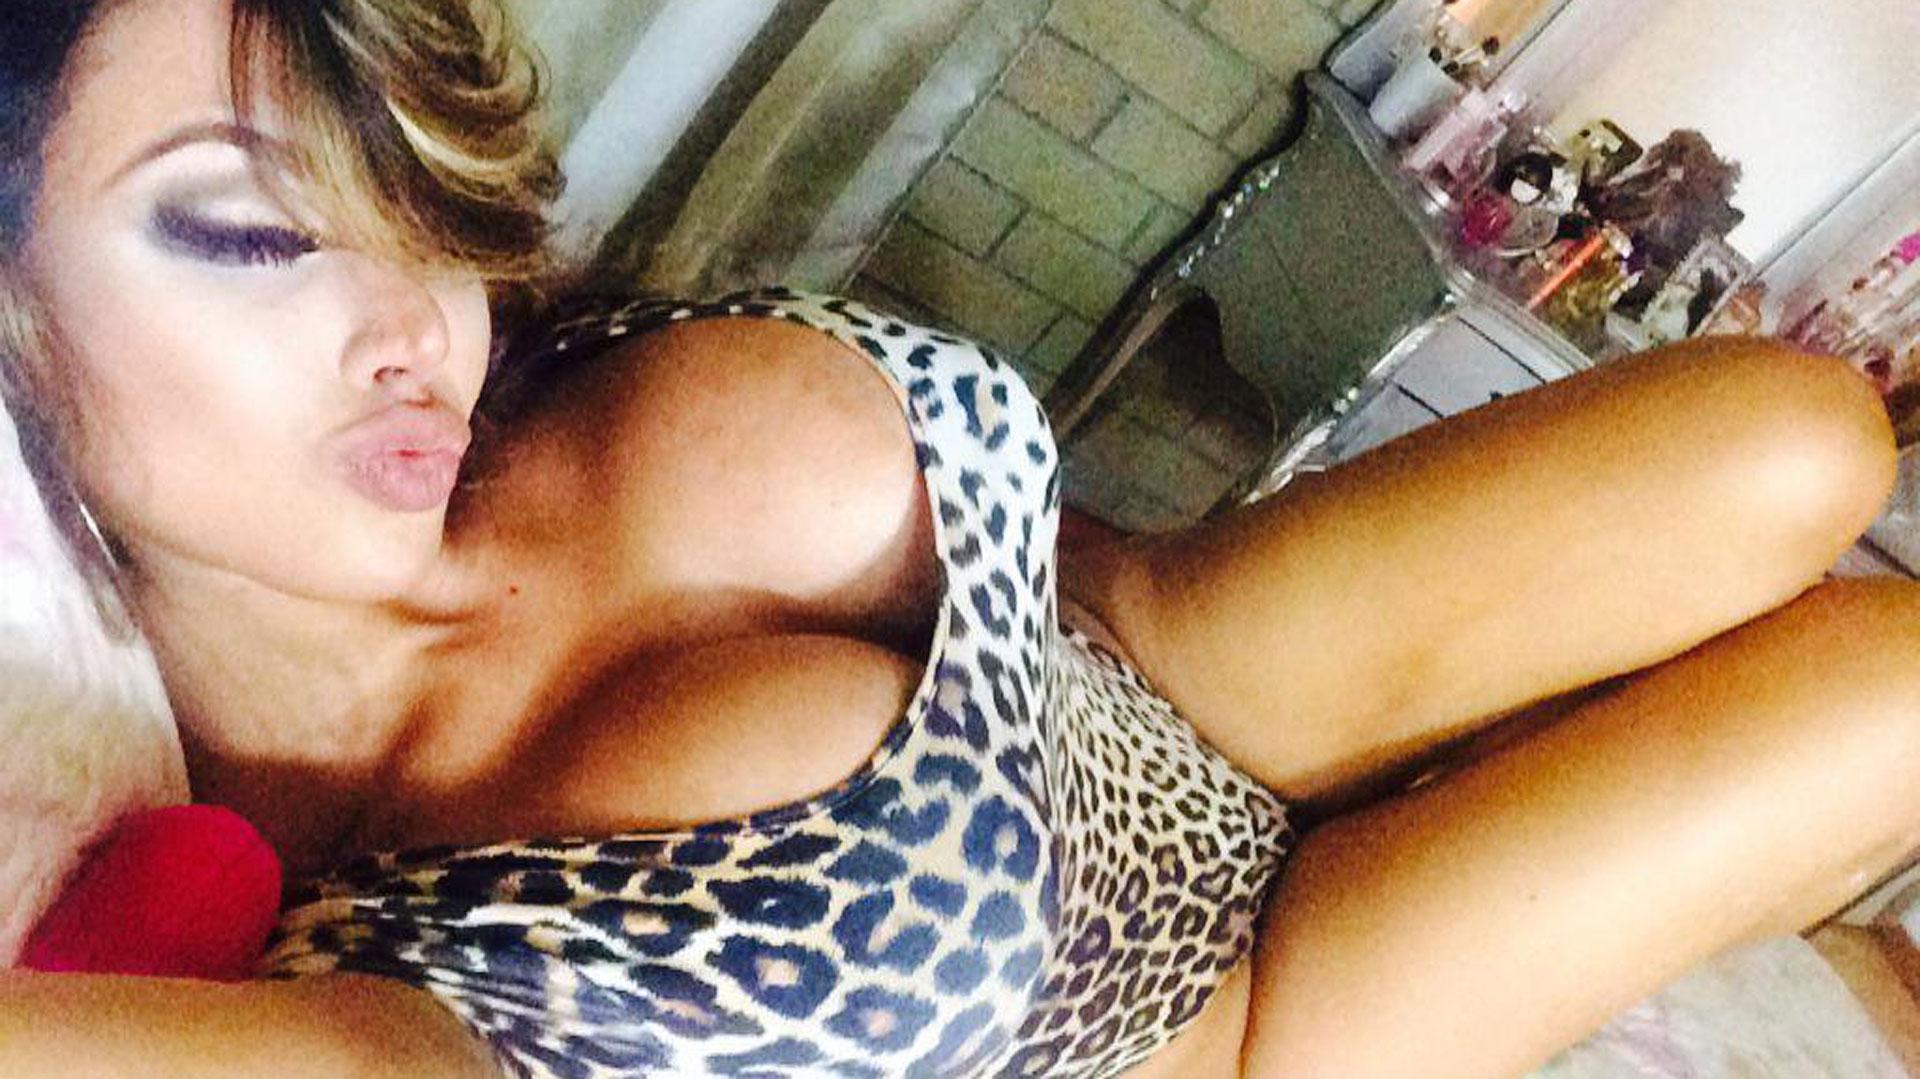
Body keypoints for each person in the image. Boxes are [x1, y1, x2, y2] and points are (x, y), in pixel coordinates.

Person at [2, 1, 1915, 1076]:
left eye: (426, 211)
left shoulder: (519, 392)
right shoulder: (345, 956)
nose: (412, 323)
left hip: (1174, 651)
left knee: (1801, 433)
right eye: (247, 232)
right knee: (1894, 681)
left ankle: (1497, 782)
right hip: (1242, 1032)